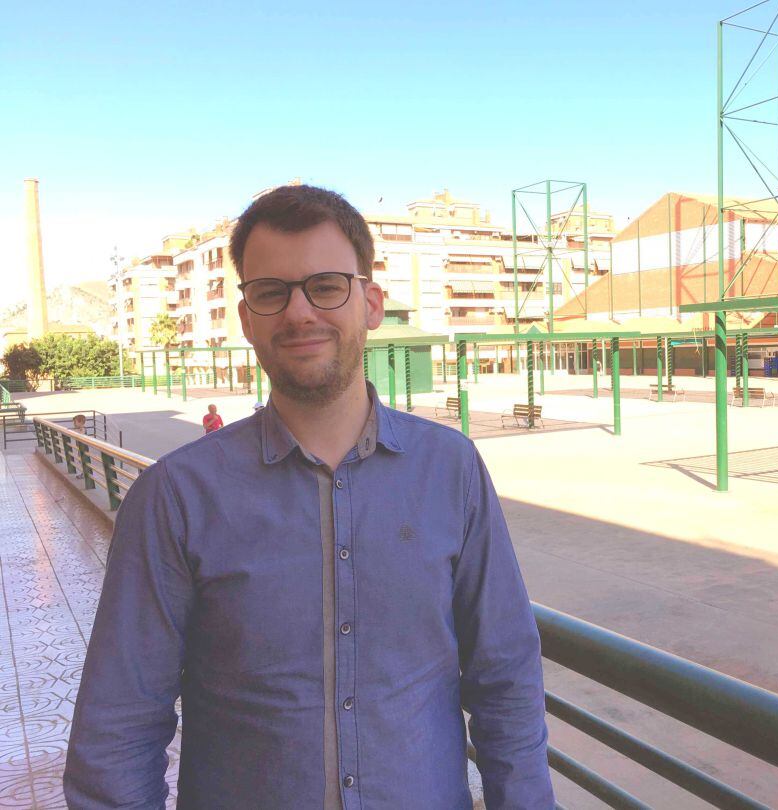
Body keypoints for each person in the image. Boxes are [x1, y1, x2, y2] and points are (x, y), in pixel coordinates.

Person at [65, 184, 553, 809]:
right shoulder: (176, 496)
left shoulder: (450, 470)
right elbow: (121, 722)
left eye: (326, 286)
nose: (300, 313)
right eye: (272, 292)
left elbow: (505, 672)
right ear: (246, 318)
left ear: (371, 303)